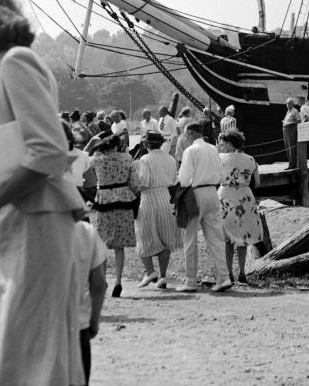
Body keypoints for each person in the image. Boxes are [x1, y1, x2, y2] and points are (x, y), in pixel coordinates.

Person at [0, 0, 88, 386]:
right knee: (0, 377)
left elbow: (48, 150)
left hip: (35, 221)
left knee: (25, 373)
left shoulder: (16, 63)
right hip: (15, 225)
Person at [62, 216, 108, 386]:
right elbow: (98, 284)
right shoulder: (85, 231)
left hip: (34, 330)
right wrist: (94, 321)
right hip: (76, 328)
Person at [176, 119, 232, 292]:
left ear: (191, 134)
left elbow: (184, 178)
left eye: (185, 134)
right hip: (213, 193)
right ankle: (223, 277)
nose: (184, 137)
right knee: (216, 238)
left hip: (195, 194)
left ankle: (190, 280)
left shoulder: (190, 150)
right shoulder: (213, 149)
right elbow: (223, 175)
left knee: (190, 238)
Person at [90, 126, 141, 296]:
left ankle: (103, 279)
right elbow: (135, 184)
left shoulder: (97, 160)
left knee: (102, 243)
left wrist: (94, 142)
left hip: (104, 199)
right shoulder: (127, 159)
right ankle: (118, 281)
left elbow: (85, 155)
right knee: (120, 246)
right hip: (123, 201)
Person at [133, 130, 178, 289]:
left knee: (144, 235)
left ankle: (150, 271)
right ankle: (163, 275)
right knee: (165, 236)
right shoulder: (171, 158)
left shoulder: (144, 159)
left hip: (149, 197)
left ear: (146, 144)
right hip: (166, 197)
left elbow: (144, 182)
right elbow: (174, 180)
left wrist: (132, 188)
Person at [217, 129, 261, 285]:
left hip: (225, 196)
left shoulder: (220, 158)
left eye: (223, 143)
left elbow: (215, 176)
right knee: (243, 237)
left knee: (227, 238)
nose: (221, 145)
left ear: (229, 143)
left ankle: (228, 273)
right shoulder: (250, 159)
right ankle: (242, 273)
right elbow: (258, 182)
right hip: (245, 196)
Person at [281, 99, 300, 169]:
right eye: (287, 103)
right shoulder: (288, 111)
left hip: (291, 130)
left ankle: (292, 164)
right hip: (286, 130)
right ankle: (290, 163)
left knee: (291, 147)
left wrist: (289, 123)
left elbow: (299, 120)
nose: (287, 105)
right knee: (287, 147)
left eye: (289, 103)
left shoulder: (295, 111)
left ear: (292, 104)